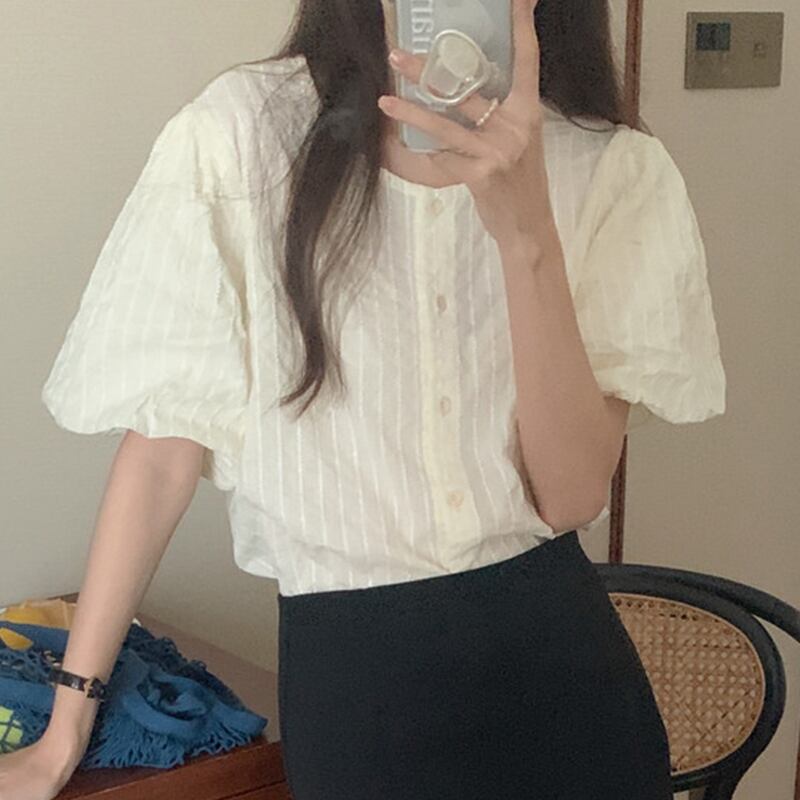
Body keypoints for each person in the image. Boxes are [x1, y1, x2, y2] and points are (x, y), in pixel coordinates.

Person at [1, 0, 726, 797]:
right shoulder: (243, 136)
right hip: (355, 696)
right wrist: (63, 732)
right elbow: (159, 457)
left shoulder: (607, 164)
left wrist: (526, 235)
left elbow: (570, 496)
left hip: (564, 684)